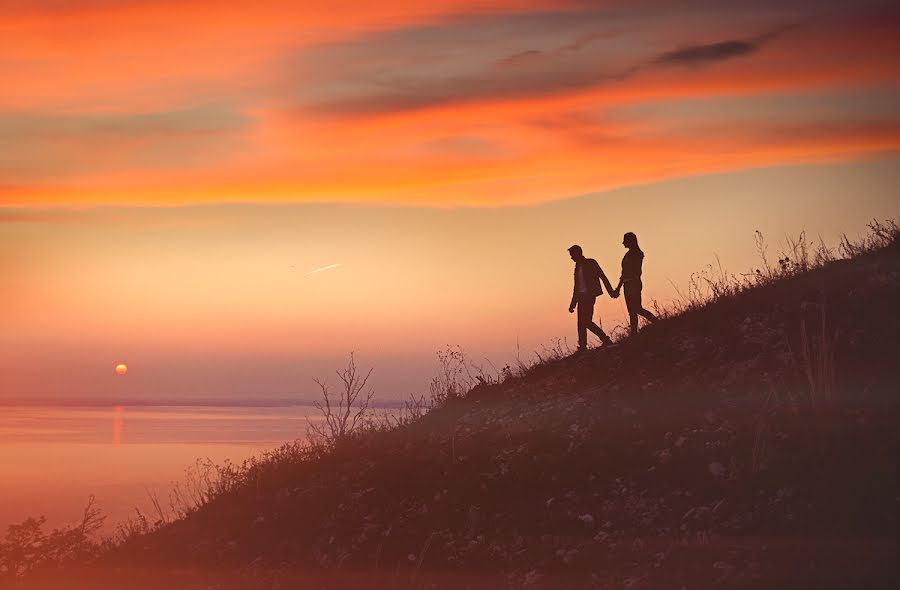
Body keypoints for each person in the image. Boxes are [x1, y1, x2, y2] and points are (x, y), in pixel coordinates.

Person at [568, 245, 616, 351]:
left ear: (578, 253)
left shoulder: (591, 263)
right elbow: (577, 286)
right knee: (581, 323)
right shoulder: (577, 267)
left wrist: (611, 291)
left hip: (589, 296)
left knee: (586, 322)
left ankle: (605, 340)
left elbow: (602, 276)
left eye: (572, 255)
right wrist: (573, 303)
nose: (571, 258)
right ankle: (583, 347)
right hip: (581, 297)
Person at [613, 232, 658, 335]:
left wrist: (621, 285)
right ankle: (634, 333)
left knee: (637, 308)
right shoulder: (628, 254)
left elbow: (634, 271)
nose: (623, 243)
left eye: (625, 240)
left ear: (630, 241)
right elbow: (623, 273)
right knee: (632, 311)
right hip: (627, 284)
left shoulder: (637, 253)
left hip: (634, 283)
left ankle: (657, 322)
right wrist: (619, 287)